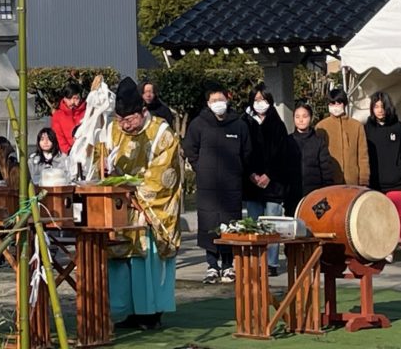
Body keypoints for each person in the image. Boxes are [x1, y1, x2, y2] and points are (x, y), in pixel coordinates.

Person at [102, 77, 182, 330]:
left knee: (147, 259)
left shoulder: (161, 133)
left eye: (129, 120)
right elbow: (99, 159)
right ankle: (125, 310)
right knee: (121, 260)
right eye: (120, 120)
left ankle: (151, 311)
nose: (124, 125)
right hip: (120, 205)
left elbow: (165, 175)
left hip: (147, 206)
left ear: (143, 111)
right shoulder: (112, 130)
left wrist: (134, 192)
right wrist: (103, 168)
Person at [183, 83, 251, 285]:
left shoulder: (239, 125)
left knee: (231, 224)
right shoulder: (198, 124)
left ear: (227, 100)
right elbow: (190, 149)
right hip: (207, 185)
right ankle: (212, 265)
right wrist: (201, 167)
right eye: (214, 100)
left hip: (232, 184)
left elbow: (247, 152)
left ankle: (229, 265)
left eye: (221, 99)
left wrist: (239, 169)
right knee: (209, 224)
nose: (218, 103)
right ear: (208, 103)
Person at [364, 90, 401, 265]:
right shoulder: (366, 129)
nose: (379, 110)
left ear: (389, 107)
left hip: (396, 183)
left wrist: (397, 173)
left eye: (383, 106)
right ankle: (386, 250)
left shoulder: (400, 129)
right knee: (379, 218)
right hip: (374, 184)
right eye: (376, 106)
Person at [241, 85, 292, 277]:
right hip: (252, 184)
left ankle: (271, 262)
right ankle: (256, 260)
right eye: (256, 99)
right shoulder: (245, 122)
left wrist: (269, 175)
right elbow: (242, 152)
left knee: (272, 225)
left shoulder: (277, 124)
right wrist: (251, 174)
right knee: (254, 225)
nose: (259, 103)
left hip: (274, 184)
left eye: (263, 99)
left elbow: (282, 154)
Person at [285, 102, 334, 214]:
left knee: (315, 223)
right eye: (297, 117)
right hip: (292, 196)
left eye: (305, 116)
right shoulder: (287, 141)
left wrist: (326, 195)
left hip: (316, 195)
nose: (301, 120)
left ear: (311, 118)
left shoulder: (319, 142)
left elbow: (326, 171)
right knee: (294, 223)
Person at [316, 88, 369, 186]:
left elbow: (363, 156)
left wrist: (364, 180)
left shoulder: (357, 126)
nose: (335, 107)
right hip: (330, 181)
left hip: (353, 181)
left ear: (344, 104)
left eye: (338, 103)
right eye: (332, 104)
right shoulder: (321, 127)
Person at [51, 81, 86, 154]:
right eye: (69, 99)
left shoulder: (87, 112)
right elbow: (59, 137)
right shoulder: (58, 115)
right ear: (64, 98)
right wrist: (68, 150)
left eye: (76, 98)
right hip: (67, 153)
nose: (72, 102)